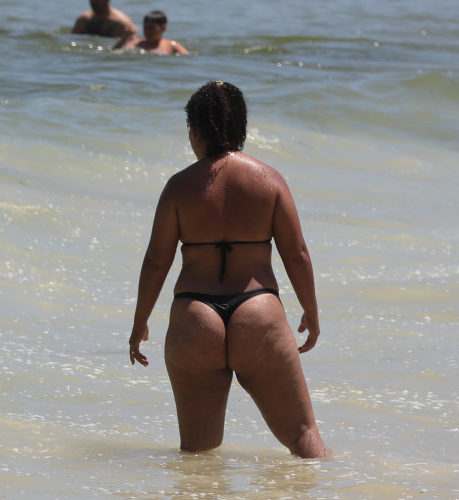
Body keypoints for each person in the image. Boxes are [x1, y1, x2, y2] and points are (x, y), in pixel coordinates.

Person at [129, 82, 326, 457]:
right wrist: (311, 312)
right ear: (242, 127)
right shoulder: (269, 179)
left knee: (197, 457)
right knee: (305, 439)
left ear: (196, 130)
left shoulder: (179, 186)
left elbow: (157, 260)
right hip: (259, 311)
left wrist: (139, 324)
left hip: (195, 316)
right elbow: (296, 253)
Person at [72, 0, 136, 42]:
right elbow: (72, 39)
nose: (93, 2)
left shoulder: (121, 23)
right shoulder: (84, 20)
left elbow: (132, 45)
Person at [120, 11, 190, 54]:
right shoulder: (137, 43)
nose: (147, 31)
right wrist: (124, 39)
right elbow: (115, 52)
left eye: (151, 28)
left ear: (163, 27)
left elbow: (187, 58)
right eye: (145, 27)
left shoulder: (171, 46)